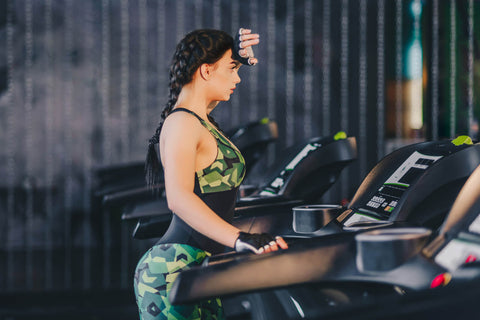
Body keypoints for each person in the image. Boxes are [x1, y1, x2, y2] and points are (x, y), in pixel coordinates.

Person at [134, 28, 288, 320]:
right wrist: (241, 238)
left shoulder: (200, 118)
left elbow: (206, 95)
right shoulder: (182, 124)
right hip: (171, 271)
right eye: (231, 70)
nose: (238, 78)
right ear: (206, 70)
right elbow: (178, 198)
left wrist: (238, 57)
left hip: (200, 268)